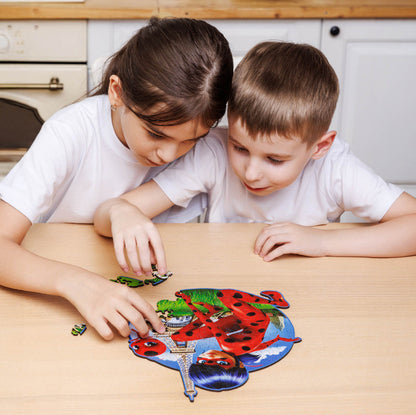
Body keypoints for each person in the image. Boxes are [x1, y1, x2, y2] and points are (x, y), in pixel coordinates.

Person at [0, 17, 233, 340]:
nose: (168, 154)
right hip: (50, 290)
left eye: (191, 139)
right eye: (155, 134)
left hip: (133, 292)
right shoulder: (70, 133)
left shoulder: (203, 145)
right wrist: (77, 282)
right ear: (117, 92)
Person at [93, 41, 416, 274]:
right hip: (227, 289)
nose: (251, 172)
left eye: (275, 160)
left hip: (313, 296)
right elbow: (108, 214)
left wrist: (322, 242)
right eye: (240, 147)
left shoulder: (335, 169)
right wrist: (123, 213)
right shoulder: (214, 153)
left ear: (319, 146)